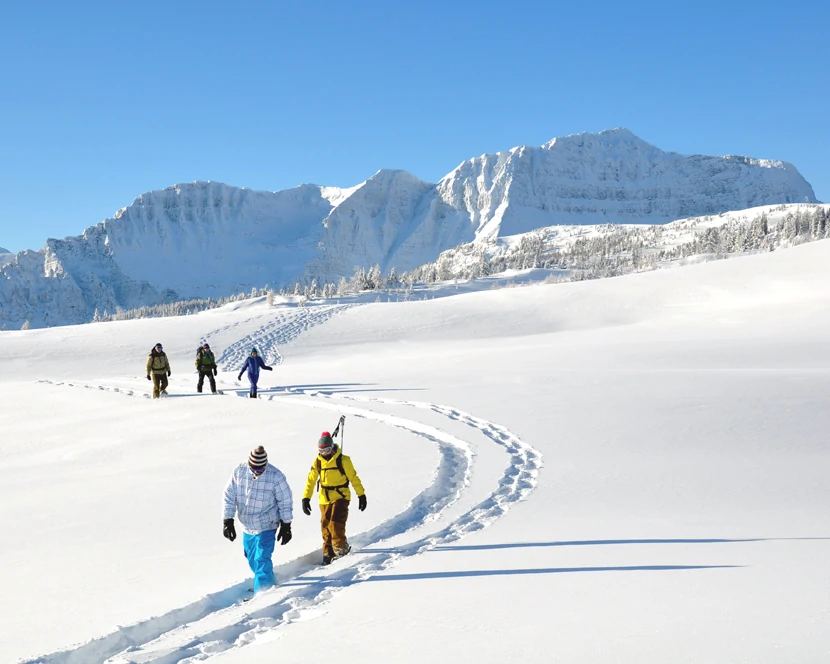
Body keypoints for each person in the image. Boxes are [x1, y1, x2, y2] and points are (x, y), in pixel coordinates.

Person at [222, 445, 293, 594]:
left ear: (265, 465)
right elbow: (229, 496)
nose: (256, 472)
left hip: (267, 523)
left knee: (262, 559)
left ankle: (263, 592)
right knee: (252, 558)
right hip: (247, 525)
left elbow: (285, 501)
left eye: (260, 469)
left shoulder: (276, 477)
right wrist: (228, 520)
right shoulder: (239, 472)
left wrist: (286, 525)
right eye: (254, 469)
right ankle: (268, 582)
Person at [301, 431, 367, 565]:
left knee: (335, 522)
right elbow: (311, 480)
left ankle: (340, 549)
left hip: (341, 495)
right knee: (325, 526)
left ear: (332, 448)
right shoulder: (318, 462)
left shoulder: (343, 460)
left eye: (327, 449)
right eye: (321, 450)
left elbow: (353, 478)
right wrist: (306, 498)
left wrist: (361, 495)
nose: (324, 453)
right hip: (324, 497)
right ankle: (328, 553)